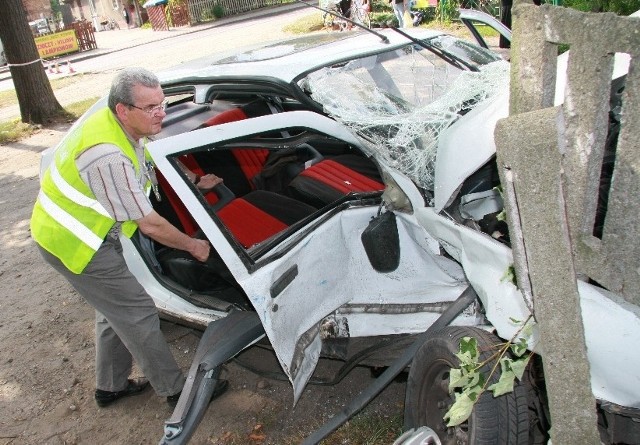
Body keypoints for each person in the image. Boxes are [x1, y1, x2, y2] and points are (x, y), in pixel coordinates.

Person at [30, 67, 227, 409]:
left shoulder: (125, 128)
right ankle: (177, 392)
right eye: (151, 107)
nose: (161, 112)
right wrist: (195, 246)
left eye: (162, 103)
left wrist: (195, 181)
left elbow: (150, 160)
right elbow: (150, 224)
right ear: (123, 110)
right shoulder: (106, 154)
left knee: (114, 309)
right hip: (75, 243)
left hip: (86, 233)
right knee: (137, 311)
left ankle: (110, 387)